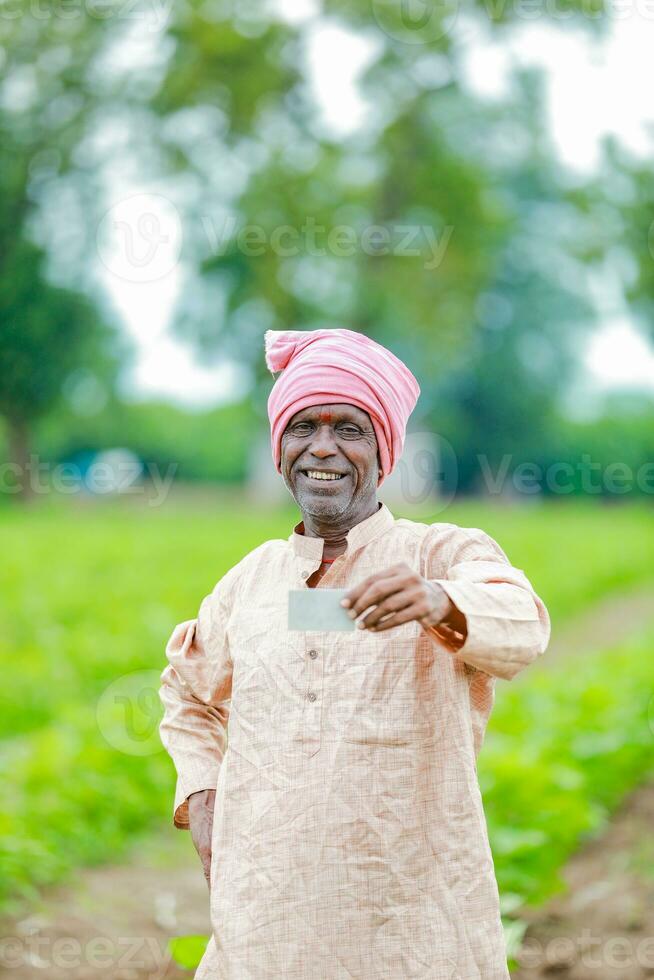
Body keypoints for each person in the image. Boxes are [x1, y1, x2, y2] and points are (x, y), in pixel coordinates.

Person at [158, 327, 551, 979]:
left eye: (350, 429)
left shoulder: (442, 555)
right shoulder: (252, 582)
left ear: (384, 451)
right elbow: (188, 691)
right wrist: (202, 792)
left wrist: (438, 601)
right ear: (279, 447)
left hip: (416, 930)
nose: (323, 449)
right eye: (303, 426)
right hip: (265, 928)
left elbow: (523, 622)